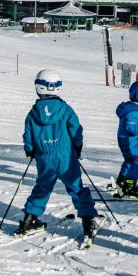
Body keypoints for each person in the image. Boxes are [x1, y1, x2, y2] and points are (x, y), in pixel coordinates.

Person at [17, 69, 98, 244]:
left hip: (45, 157)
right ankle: (88, 220)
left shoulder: (33, 113)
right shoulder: (65, 109)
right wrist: (77, 146)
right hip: (65, 156)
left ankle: (29, 219)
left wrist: (30, 149)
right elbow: (75, 129)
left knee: (42, 187)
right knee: (76, 187)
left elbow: (28, 135)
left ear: (38, 87)